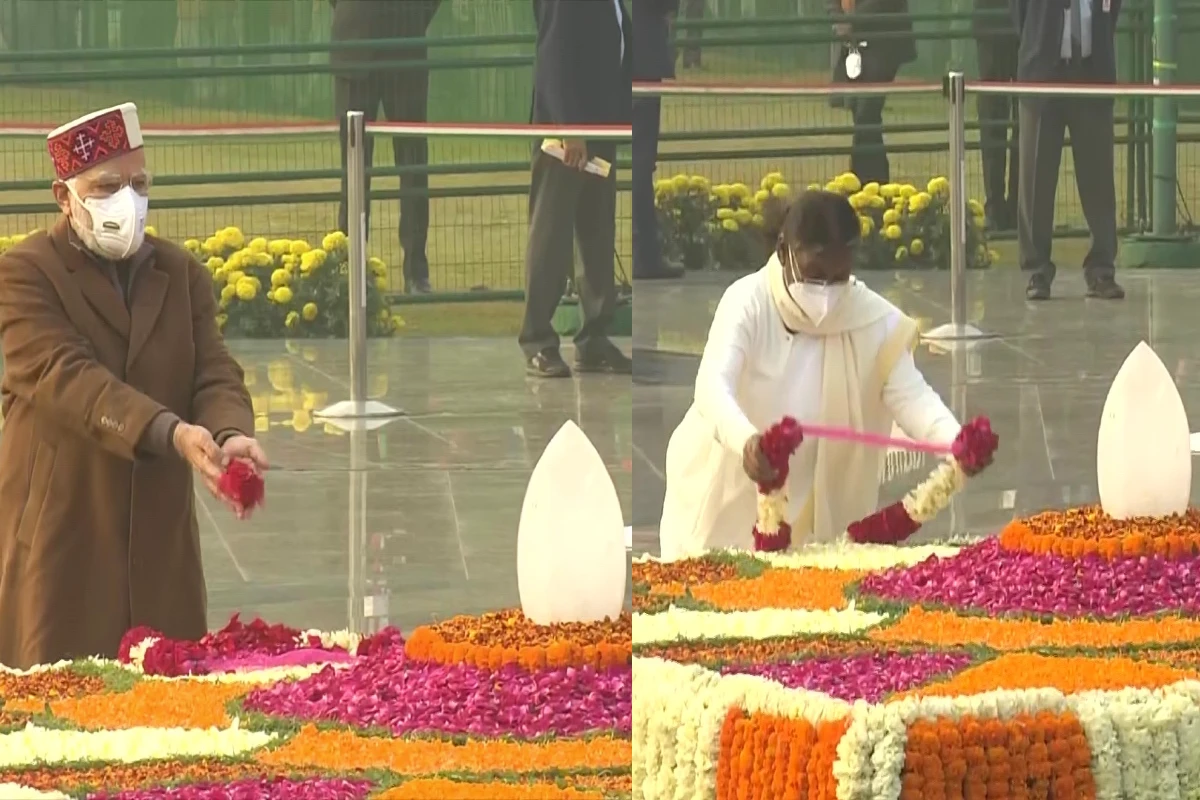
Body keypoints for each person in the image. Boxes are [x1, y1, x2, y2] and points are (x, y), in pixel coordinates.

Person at [0, 103, 266, 669]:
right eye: (107, 186)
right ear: (63, 196)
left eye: (139, 184)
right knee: (55, 714)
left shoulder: (180, 271)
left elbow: (213, 369)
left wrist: (230, 431)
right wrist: (170, 432)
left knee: (169, 717)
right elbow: (65, 378)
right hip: (63, 530)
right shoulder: (25, 274)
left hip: (160, 541)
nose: (128, 199)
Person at [658, 190, 966, 560]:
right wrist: (747, 442)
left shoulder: (868, 318)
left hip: (818, 509)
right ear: (785, 250)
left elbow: (912, 396)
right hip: (726, 496)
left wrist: (957, 442)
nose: (826, 292)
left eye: (839, 277)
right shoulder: (748, 301)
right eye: (815, 273)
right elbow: (712, 386)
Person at [520, 0, 632, 379]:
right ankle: (538, 340)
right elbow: (553, 55)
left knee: (597, 233)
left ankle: (594, 338)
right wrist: (570, 125)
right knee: (551, 235)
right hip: (567, 136)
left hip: (602, 130)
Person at [1011, 0, 1124, 301]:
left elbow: (1112, 10)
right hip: (1041, 71)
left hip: (1093, 72)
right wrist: (1036, 40)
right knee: (1035, 178)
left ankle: (1101, 269)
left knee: (1098, 177)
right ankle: (1036, 270)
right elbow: (1021, 11)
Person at [330, 0, 442, 295]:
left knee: (413, 165)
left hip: (405, 49)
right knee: (354, 169)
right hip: (354, 52)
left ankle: (416, 272)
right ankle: (350, 269)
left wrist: (411, 17)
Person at [827, 0, 916, 185]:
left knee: (866, 112)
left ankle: (864, 184)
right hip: (852, 44)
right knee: (862, 114)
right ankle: (872, 186)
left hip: (883, 41)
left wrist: (852, 20)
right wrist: (840, 19)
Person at [633, 0, 684, 280]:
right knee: (641, 161)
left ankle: (644, 252)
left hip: (621, 57)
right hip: (641, 60)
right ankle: (645, 255)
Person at [973, 0, 1019, 231]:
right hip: (993, 23)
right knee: (993, 118)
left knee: (1027, 119)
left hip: (1027, 26)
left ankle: (1018, 207)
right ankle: (996, 207)